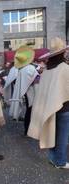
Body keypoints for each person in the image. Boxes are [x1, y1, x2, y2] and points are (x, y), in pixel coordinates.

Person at [28, 37, 69, 169]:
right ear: (63, 53)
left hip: (51, 107)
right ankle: (60, 161)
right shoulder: (65, 68)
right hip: (64, 108)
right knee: (62, 137)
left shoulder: (47, 70)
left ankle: (53, 158)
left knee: (53, 134)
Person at [9, 46, 39, 135]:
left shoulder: (22, 69)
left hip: (27, 93)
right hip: (32, 93)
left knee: (28, 112)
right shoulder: (30, 68)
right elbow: (36, 80)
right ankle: (30, 131)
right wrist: (40, 75)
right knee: (30, 112)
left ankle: (27, 130)